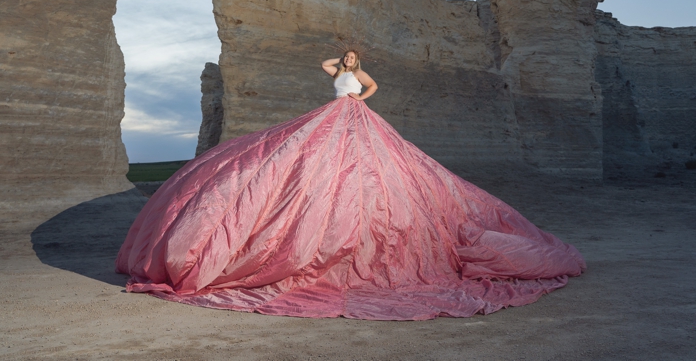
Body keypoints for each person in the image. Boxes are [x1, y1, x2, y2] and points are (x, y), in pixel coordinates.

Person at [115, 47, 584, 320]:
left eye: (355, 59)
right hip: (335, 114)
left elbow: (374, 86)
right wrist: (341, 62)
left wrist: (360, 84)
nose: (352, 62)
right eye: (350, 58)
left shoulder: (358, 78)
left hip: (358, 114)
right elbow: (324, 66)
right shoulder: (339, 71)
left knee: (376, 169)